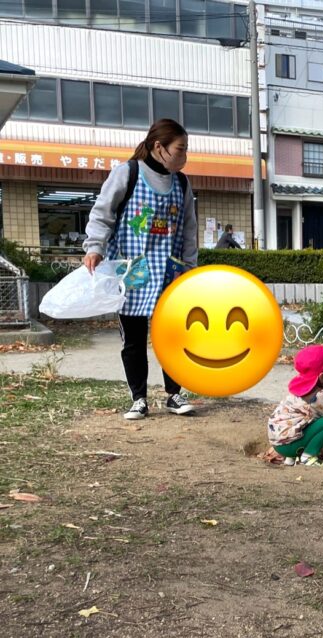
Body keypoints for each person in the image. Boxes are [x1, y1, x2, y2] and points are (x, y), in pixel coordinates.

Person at [82, 118, 198, 420]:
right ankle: (139, 398)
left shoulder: (182, 183)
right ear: (159, 147)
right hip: (132, 271)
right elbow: (103, 213)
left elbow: (188, 229)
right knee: (133, 337)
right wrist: (94, 247)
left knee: (173, 336)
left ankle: (174, 394)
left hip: (169, 272)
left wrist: (191, 268)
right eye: (180, 149)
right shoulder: (128, 173)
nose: (184, 157)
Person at [267, 345, 323, 467]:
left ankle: (291, 458)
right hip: (288, 445)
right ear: (322, 377)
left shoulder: (303, 389)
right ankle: (308, 456)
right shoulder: (318, 396)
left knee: (312, 419)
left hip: (281, 442)